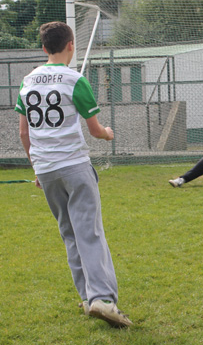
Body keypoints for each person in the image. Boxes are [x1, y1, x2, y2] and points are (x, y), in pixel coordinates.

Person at [15, 21, 132, 328]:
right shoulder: (75, 79)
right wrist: (107, 133)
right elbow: (94, 131)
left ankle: (87, 297)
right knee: (89, 232)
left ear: (43, 48)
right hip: (74, 166)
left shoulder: (28, 81)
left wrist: (36, 167)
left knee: (69, 233)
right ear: (71, 46)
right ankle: (103, 299)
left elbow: (24, 131)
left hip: (46, 168)